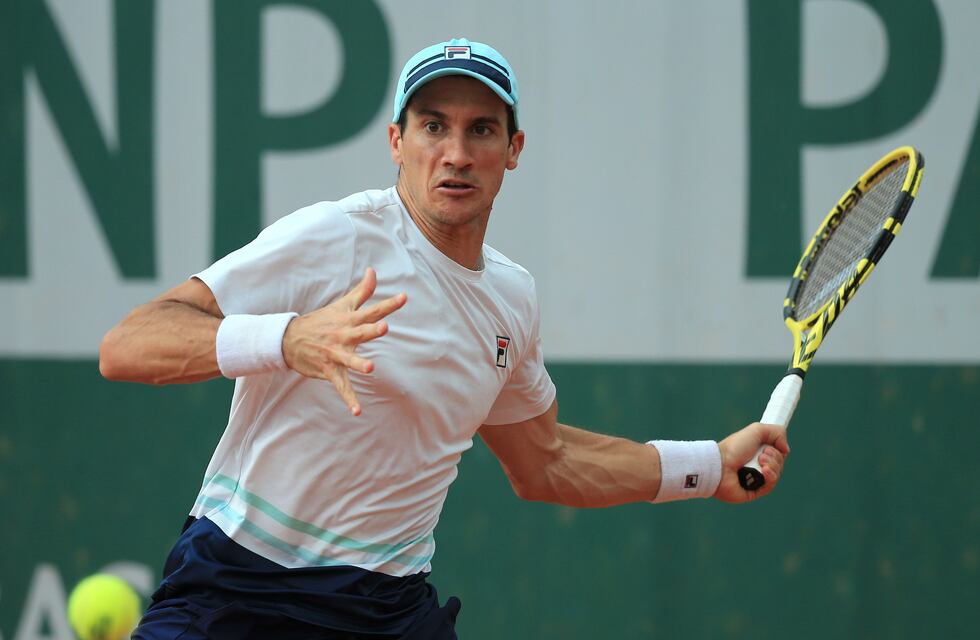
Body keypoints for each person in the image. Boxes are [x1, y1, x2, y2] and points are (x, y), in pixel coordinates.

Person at [100, 38, 789, 639]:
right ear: (397, 141)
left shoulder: (510, 300)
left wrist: (707, 467)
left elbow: (544, 462)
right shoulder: (335, 236)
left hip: (385, 608)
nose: (456, 154)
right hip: (237, 583)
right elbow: (128, 345)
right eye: (433, 127)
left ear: (512, 150)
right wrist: (289, 339)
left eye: (481, 130)